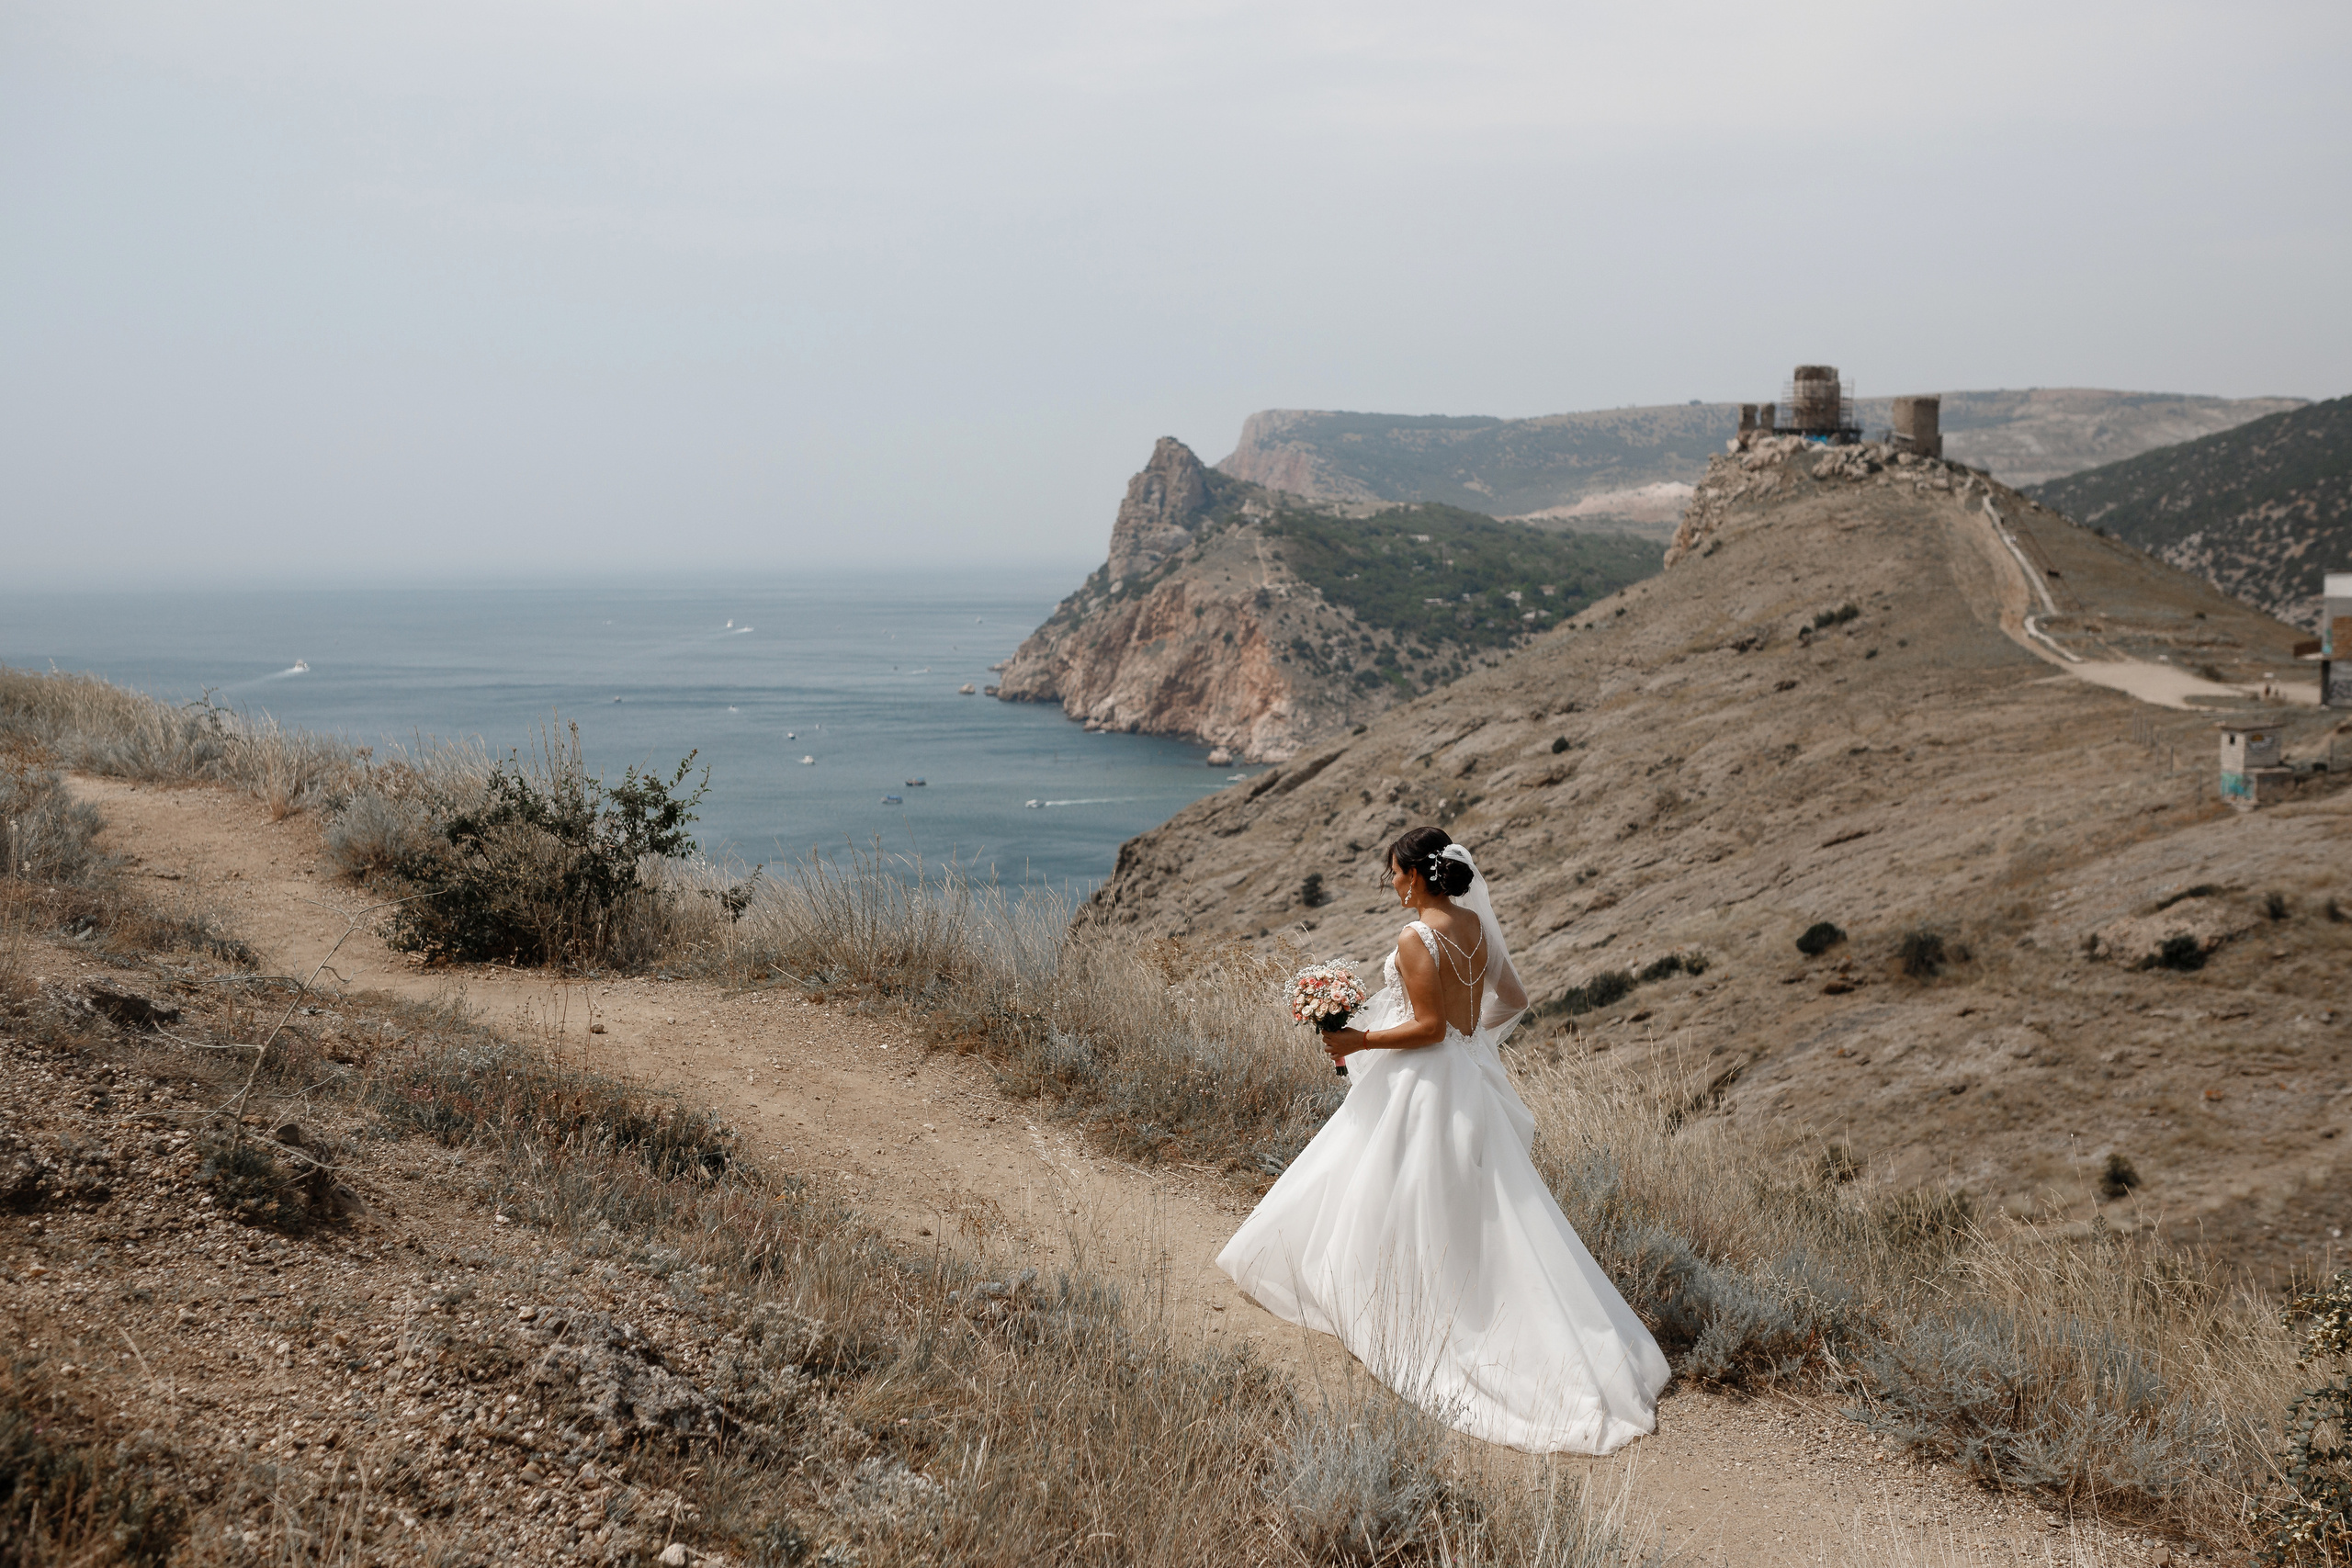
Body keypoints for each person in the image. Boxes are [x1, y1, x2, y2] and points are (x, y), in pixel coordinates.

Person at [1216, 826, 1669, 1455]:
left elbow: (1427, 1027)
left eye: (1393, 874)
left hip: (1425, 1083)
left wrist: (1359, 1040)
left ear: (1417, 874)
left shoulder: (1416, 936)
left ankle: (1403, 1312)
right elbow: (1513, 997)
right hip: (1467, 1078)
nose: (1392, 886)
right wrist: (1471, 1039)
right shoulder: (1476, 928)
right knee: (1476, 1202)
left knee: (1395, 1186)